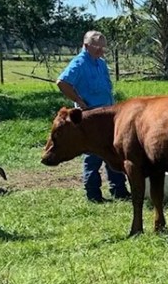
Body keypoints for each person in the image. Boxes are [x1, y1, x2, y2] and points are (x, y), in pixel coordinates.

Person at [56, 30, 130, 203]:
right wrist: (79, 102)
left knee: (113, 153)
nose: (101, 51)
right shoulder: (80, 63)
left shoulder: (101, 63)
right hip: (90, 118)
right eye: (97, 47)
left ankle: (118, 190)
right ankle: (93, 194)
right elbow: (62, 82)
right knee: (93, 156)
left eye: (103, 48)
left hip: (108, 115)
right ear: (86, 45)